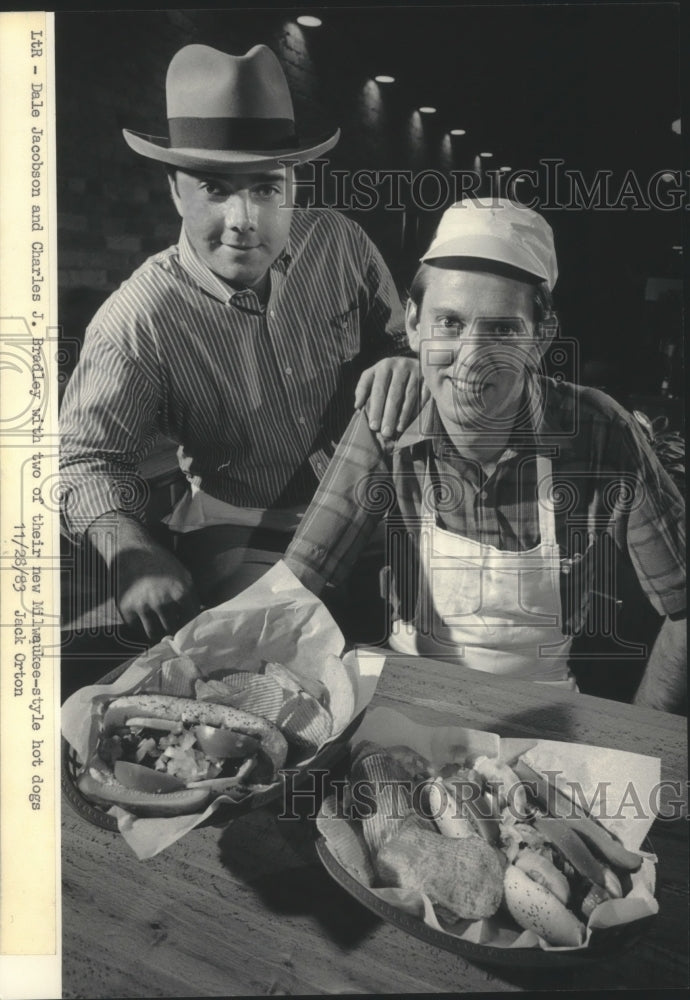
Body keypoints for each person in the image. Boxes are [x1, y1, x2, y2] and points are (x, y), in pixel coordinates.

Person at [60, 43, 423, 643]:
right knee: (265, 665)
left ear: (293, 184)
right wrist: (131, 551)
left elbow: (402, 340)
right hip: (240, 521)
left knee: (435, 646)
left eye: (264, 187)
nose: (243, 218)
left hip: (369, 502)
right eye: (214, 188)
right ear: (176, 190)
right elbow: (81, 461)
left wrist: (405, 361)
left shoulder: (340, 242)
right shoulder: (138, 318)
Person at [283, 198, 686, 712]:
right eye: (449, 322)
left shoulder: (599, 433)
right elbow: (300, 582)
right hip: (406, 699)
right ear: (412, 323)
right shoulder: (389, 417)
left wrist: (643, 734)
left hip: (544, 710)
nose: (471, 360)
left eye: (501, 330)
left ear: (540, 337)